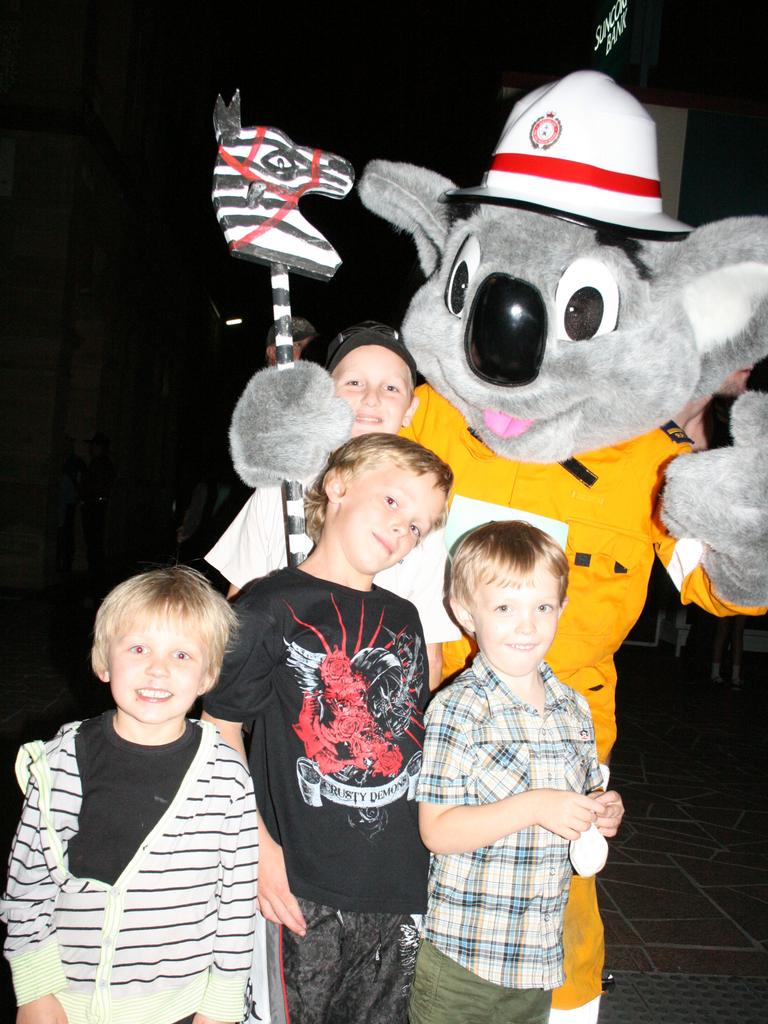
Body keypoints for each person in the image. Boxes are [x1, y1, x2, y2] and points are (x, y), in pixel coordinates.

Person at [203, 434, 453, 1024]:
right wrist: (261, 853)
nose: (401, 531)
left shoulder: (405, 617)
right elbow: (219, 731)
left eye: (418, 526)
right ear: (337, 484)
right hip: (300, 882)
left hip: (396, 884)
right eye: (393, 502)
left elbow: (406, 737)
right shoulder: (268, 606)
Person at [1, 566, 258, 1024]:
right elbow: (27, 884)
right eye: (139, 648)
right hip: (66, 1003)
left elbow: (236, 905)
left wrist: (220, 1006)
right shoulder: (60, 760)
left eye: (182, 655)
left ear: (207, 676)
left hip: (181, 1009)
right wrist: (36, 990)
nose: (157, 668)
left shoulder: (227, 778)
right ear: (103, 661)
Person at [409, 521, 623, 1024]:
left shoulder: (574, 709)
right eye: (504, 608)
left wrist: (600, 811)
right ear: (466, 613)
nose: (526, 626)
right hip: (464, 963)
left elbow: (582, 795)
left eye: (542, 607)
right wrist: (535, 806)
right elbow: (436, 830)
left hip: (538, 958)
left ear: (561, 610)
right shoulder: (459, 709)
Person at [205, 320, 460, 688]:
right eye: (354, 383)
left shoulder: (421, 511)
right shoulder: (284, 483)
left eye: (390, 387)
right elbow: (236, 610)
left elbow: (429, 654)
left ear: (409, 409)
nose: (371, 398)